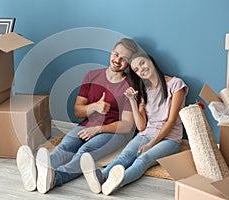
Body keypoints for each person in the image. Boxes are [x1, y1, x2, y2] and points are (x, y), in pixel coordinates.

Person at [16, 38, 140, 194]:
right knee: (65, 145)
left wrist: (98, 129)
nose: (118, 60)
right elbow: (78, 111)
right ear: (111, 53)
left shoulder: (129, 86)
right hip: (86, 126)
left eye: (124, 59)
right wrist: (94, 106)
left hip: (113, 131)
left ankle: (55, 178)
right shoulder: (92, 76)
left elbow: (128, 125)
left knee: (85, 152)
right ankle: (35, 171)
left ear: (128, 63)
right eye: (116, 54)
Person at [80, 52, 189, 195]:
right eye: (136, 70)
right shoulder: (145, 91)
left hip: (169, 139)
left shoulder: (176, 84)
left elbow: (171, 121)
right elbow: (141, 126)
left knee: (142, 159)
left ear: (151, 61)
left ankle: (116, 182)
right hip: (146, 134)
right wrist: (132, 100)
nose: (141, 69)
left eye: (142, 63)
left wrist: (151, 144)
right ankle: (101, 177)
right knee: (124, 157)